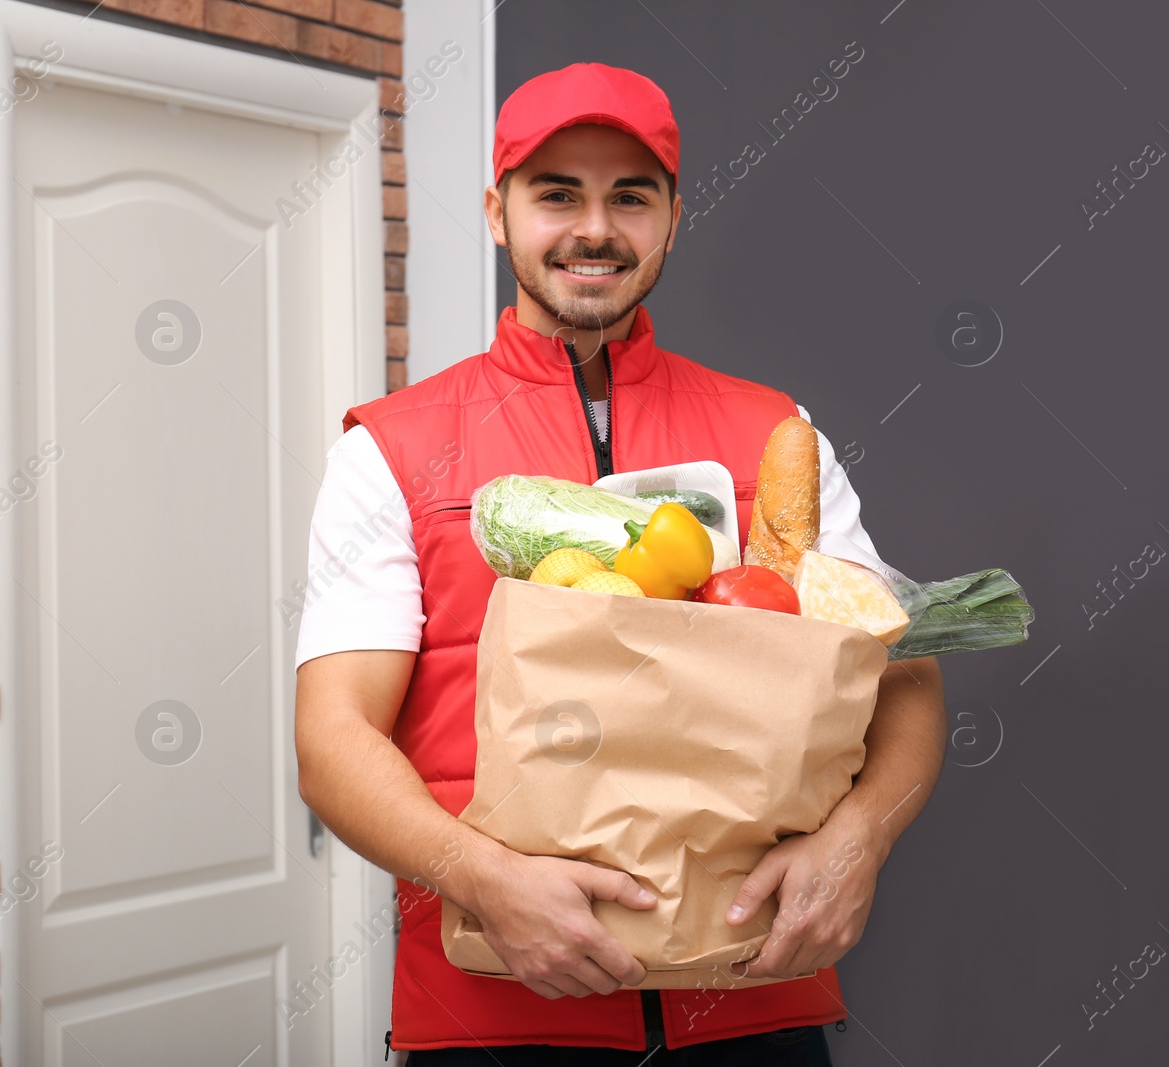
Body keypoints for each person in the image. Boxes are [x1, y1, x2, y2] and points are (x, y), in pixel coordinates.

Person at [293, 62, 946, 1064]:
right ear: (496, 213)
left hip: (749, 998)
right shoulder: (390, 447)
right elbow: (333, 737)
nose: (593, 227)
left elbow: (903, 671)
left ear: (673, 219)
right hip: (495, 1008)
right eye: (556, 193)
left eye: (628, 196)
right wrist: (479, 875)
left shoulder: (777, 433)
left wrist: (859, 839)